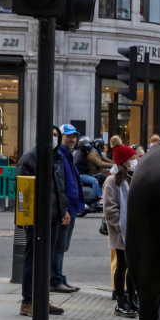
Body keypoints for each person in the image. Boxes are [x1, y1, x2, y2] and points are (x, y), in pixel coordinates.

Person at [16, 131, 70, 317]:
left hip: (54, 217)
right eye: (51, 134)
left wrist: (64, 211)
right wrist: (26, 219)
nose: (53, 137)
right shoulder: (30, 158)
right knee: (33, 260)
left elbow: (59, 187)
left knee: (46, 260)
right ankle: (28, 301)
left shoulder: (56, 158)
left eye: (56, 134)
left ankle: (42, 299)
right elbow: (23, 191)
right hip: (37, 219)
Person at [103, 144, 138, 318]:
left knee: (132, 266)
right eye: (132, 158)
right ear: (124, 161)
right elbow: (110, 209)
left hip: (132, 230)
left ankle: (132, 297)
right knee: (122, 265)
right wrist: (119, 226)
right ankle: (120, 301)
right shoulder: (112, 181)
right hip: (120, 232)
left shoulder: (131, 177)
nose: (134, 161)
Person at [53, 124, 86, 294]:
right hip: (64, 210)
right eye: (68, 136)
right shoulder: (59, 155)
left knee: (62, 246)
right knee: (59, 246)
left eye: (74, 136)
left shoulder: (67, 156)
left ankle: (58, 277)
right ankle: (55, 280)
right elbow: (60, 185)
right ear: (60, 138)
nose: (72, 139)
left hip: (70, 208)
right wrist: (64, 209)